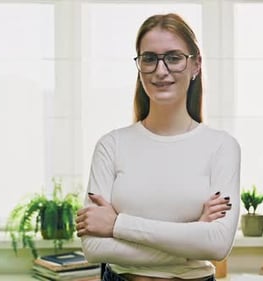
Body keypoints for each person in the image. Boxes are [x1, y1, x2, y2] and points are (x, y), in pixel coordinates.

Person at [76, 13, 241, 281]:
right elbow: (94, 248)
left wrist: (118, 224)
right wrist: (192, 239)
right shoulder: (111, 145)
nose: (161, 71)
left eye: (174, 58)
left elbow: (217, 245)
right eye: (149, 58)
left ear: (196, 64)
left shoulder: (221, 147)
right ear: (139, 65)